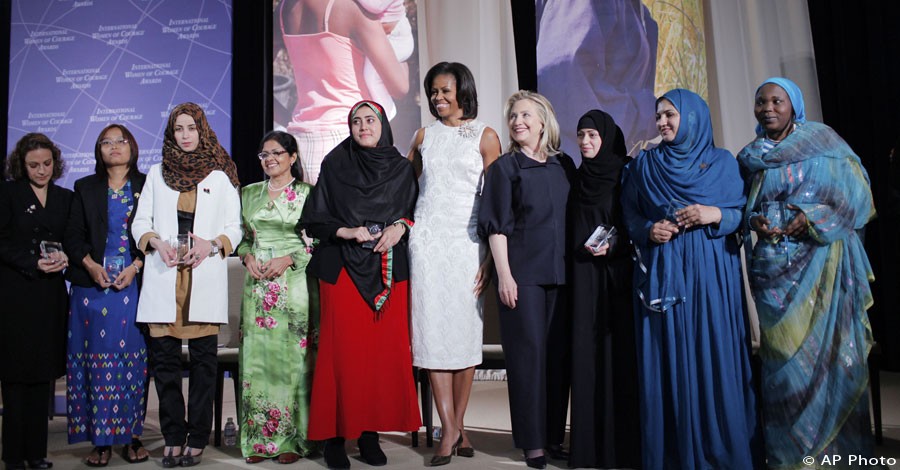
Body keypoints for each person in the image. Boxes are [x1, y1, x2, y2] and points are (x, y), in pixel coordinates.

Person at [737, 77, 877, 468]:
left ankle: (838, 457)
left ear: (793, 105)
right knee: (784, 368)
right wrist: (755, 221)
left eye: (776, 101)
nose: (767, 108)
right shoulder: (752, 156)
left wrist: (810, 217)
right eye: (760, 101)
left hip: (823, 273)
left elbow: (857, 196)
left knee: (831, 361)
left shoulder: (825, 143)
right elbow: (746, 205)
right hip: (773, 274)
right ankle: (790, 457)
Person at [620, 89, 759, 469]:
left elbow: (742, 214)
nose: (662, 122)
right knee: (668, 357)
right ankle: (675, 453)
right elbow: (629, 216)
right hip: (665, 274)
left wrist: (712, 213)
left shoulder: (722, 163)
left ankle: (720, 450)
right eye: (659, 116)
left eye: (671, 115)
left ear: (693, 118)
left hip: (712, 273)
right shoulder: (643, 166)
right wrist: (650, 230)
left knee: (713, 351)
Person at [300, 100, 420, 469]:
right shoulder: (335, 164)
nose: (364, 126)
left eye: (370, 120)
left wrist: (401, 226)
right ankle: (336, 438)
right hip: (342, 272)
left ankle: (369, 435)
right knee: (341, 357)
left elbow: (414, 213)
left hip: (387, 272)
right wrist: (346, 230)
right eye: (356, 121)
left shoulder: (401, 168)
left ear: (383, 123)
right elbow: (313, 219)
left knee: (379, 360)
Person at [132, 102, 242, 468]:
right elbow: (139, 222)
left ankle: (197, 437)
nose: (185, 135)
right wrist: (155, 242)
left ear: (202, 130)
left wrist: (211, 245)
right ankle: (173, 437)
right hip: (165, 275)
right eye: (178, 129)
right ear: (171, 133)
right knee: (164, 366)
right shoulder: (155, 173)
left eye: (191, 128)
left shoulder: (220, 175)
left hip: (203, 275)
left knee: (202, 365)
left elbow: (234, 227)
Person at [406, 62, 501, 466]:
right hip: (427, 243)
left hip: (467, 246)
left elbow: (496, 201)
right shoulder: (423, 135)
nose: (438, 99)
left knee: (462, 337)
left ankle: (457, 426)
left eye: (445, 91)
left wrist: (491, 260)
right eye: (433, 92)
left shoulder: (485, 135)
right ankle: (448, 429)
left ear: (463, 90)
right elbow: (405, 188)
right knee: (431, 335)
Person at [477, 91, 574, 470]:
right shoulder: (504, 168)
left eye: (526, 115)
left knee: (557, 359)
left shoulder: (563, 166)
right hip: (523, 277)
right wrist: (504, 275)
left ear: (543, 121)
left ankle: (552, 436)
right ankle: (532, 442)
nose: (518, 121)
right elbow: (496, 227)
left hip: (562, 275)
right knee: (527, 360)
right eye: (513, 116)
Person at [63, 124, 149, 466]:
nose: (114, 146)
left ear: (132, 146)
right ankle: (100, 442)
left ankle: (132, 437)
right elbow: (72, 235)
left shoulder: (147, 184)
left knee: (131, 362)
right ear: (98, 150)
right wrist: (91, 266)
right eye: (106, 142)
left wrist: (136, 266)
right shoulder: (84, 187)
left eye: (121, 140)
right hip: (92, 288)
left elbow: (161, 232)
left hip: (134, 285)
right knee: (95, 365)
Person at [236, 131, 318, 464]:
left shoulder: (308, 194)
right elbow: (242, 240)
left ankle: (293, 441)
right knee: (257, 363)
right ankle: (258, 440)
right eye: (264, 154)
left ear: (293, 157)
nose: (270, 159)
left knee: (292, 363)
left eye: (277, 153)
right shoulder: (248, 193)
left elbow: (317, 242)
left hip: (294, 284)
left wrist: (289, 258)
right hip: (256, 288)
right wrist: (247, 257)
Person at [567, 109, 640, 468]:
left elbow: (634, 222)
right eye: (581, 135)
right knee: (586, 356)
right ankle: (588, 448)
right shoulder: (577, 178)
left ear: (608, 137)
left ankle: (621, 447)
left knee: (617, 356)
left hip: (616, 278)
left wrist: (617, 245)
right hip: (583, 280)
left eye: (593, 136)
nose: (585, 142)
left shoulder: (625, 174)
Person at [0, 133, 72, 470]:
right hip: (16, 294)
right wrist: (32, 261)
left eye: (46, 163)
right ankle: (13, 456)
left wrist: (66, 258)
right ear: (21, 165)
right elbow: (1, 243)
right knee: (15, 376)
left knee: (42, 374)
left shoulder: (64, 197)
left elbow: (72, 240)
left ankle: (36, 453)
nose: (41, 170)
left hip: (50, 296)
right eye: (33, 165)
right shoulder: (8, 194)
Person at [279, 0, 409, 184]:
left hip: (299, 143)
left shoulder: (284, 9)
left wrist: (289, 120)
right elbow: (400, 87)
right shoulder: (351, 8)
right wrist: (402, 44)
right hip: (350, 140)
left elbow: (252, 75)